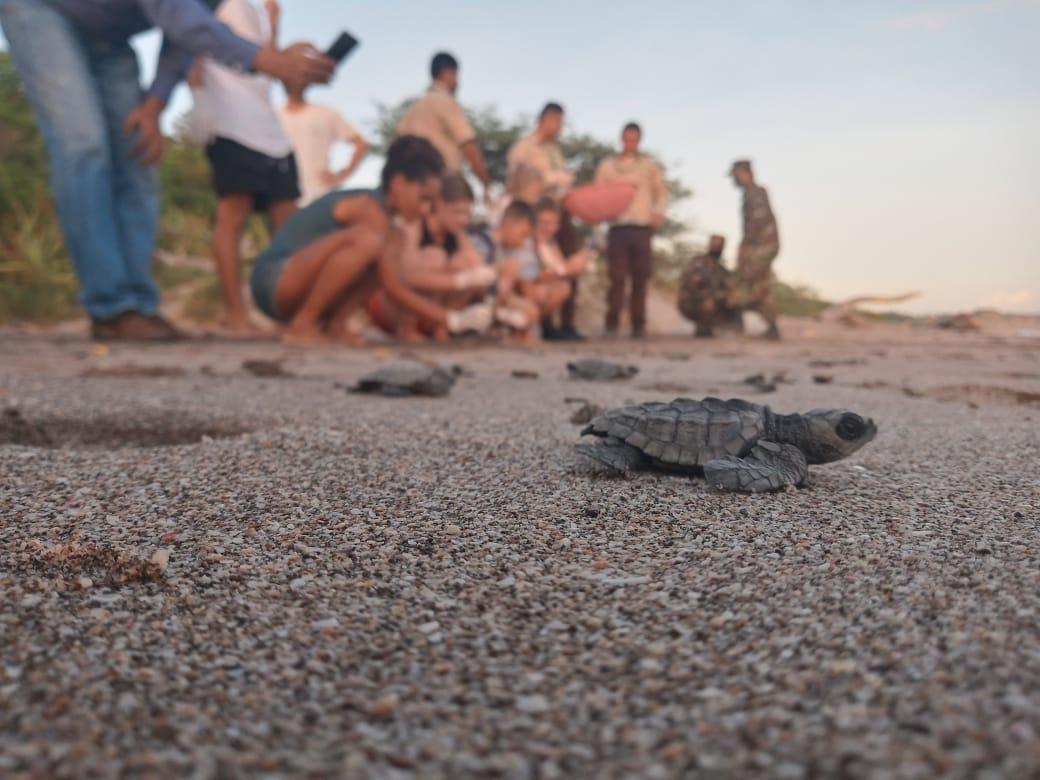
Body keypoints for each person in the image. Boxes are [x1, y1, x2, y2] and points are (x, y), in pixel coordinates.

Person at [0, 0, 334, 341]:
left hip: (109, 34)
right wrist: (267, 60)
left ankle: (139, 304)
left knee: (137, 151)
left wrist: (153, 106)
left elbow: (183, 38)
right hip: (40, 10)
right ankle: (111, 304)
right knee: (83, 145)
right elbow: (183, 19)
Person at [249, 135, 490, 344]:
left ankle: (336, 324)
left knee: (384, 249)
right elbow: (393, 285)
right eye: (423, 198)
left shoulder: (393, 231)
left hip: (294, 285)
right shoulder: (368, 208)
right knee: (369, 242)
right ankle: (304, 323)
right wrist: (452, 320)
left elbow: (393, 278)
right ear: (398, 183)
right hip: (274, 280)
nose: (426, 210)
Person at [189, 0, 299, 334]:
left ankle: (289, 312)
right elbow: (189, 42)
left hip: (267, 123)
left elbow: (268, 64)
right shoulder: (212, 5)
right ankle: (236, 313)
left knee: (288, 222)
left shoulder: (254, 11)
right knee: (233, 214)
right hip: (229, 119)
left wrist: (274, 24)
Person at [368, 174, 496, 342]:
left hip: (432, 313)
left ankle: (441, 329)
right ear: (440, 204)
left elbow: (476, 269)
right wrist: (460, 280)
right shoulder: (412, 230)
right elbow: (407, 277)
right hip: (393, 310)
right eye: (457, 212)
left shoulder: (457, 235)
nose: (463, 219)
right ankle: (409, 329)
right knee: (436, 258)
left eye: (467, 214)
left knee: (465, 266)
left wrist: (475, 278)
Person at [507, 103, 585, 340]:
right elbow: (517, 181)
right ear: (545, 119)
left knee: (570, 261)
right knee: (536, 265)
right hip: (533, 214)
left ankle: (567, 323)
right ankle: (541, 324)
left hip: (558, 212)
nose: (560, 128)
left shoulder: (555, 152)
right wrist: (553, 179)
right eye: (557, 122)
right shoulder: (524, 148)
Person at [595, 122, 668, 339]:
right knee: (616, 278)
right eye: (627, 138)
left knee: (640, 277)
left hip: (642, 227)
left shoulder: (649, 165)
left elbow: (661, 191)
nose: (630, 143)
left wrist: (658, 212)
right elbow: (598, 195)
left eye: (634, 139)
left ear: (639, 140)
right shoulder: (607, 166)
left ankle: (638, 326)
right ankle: (611, 325)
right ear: (621, 138)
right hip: (617, 226)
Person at [396, 52, 490, 197]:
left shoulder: (412, 111)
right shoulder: (445, 101)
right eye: (456, 76)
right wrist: (485, 182)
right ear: (448, 73)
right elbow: (468, 145)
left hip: (412, 192)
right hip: (443, 188)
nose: (458, 82)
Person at [279, 83, 368, 206]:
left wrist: (343, 174)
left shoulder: (325, 113)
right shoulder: (274, 116)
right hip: (283, 198)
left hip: (319, 194)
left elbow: (361, 143)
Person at [729, 159, 781, 340]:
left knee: (747, 281)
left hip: (762, 246)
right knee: (759, 283)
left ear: (743, 173)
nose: (733, 179)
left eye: (735, 174)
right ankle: (769, 325)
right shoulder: (751, 193)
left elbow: (757, 222)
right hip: (763, 245)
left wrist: (746, 246)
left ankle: (738, 322)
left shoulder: (754, 193)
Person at [524, 198, 589, 337]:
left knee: (563, 287)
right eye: (544, 223)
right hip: (525, 291)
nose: (549, 228)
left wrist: (574, 266)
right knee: (548, 290)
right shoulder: (527, 242)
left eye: (553, 224)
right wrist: (568, 269)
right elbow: (531, 277)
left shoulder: (550, 243)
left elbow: (558, 268)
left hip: (537, 288)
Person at [678, 234, 738, 338]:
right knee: (709, 301)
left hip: (706, 300)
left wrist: (728, 297)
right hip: (691, 302)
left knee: (731, 300)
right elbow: (692, 284)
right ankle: (703, 327)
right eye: (715, 246)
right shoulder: (698, 262)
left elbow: (729, 285)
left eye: (719, 247)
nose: (717, 249)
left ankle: (713, 325)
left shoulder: (720, 268)